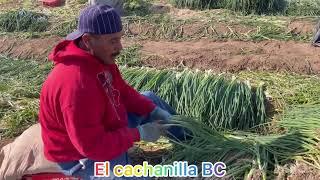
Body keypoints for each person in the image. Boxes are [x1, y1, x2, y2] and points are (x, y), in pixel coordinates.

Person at [38, 4, 186, 179]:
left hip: (106, 126)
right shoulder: (76, 85)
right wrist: (139, 133)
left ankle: (191, 140)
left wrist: (153, 110)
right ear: (87, 40)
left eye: (120, 39)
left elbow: (122, 91)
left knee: (149, 99)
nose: (120, 47)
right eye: (113, 40)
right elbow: (92, 146)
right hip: (82, 157)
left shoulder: (99, 58)